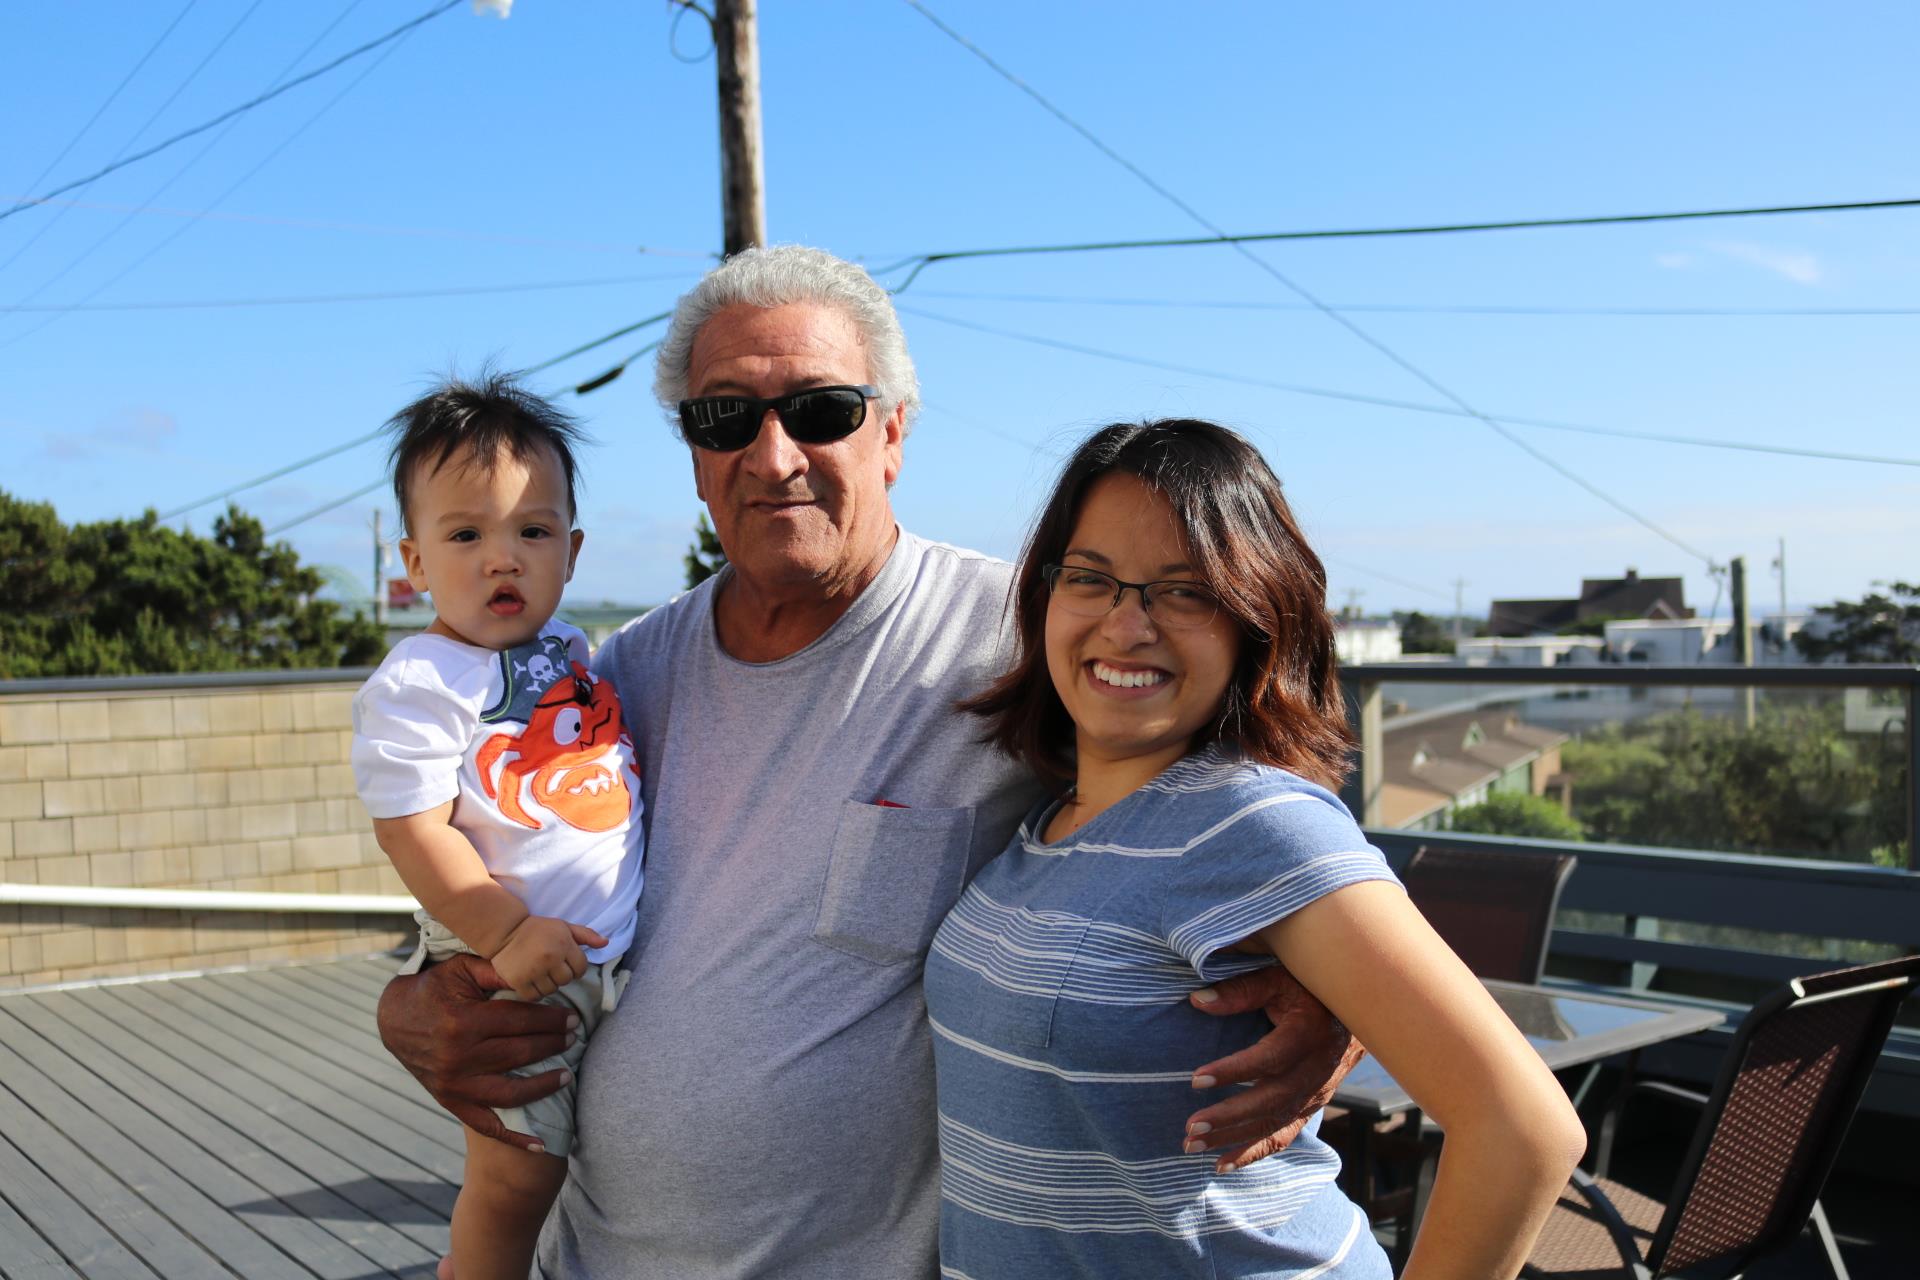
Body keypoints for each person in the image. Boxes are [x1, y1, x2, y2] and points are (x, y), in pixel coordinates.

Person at [375, 246, 1359, 1279]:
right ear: (694, 451)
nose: (772, 453)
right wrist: (416, 995)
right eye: (724, 418)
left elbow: (1256, 764)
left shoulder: (1030, 637)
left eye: (820, 410)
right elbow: (490, 856)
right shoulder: (619, 676)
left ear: (893, 430)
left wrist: (1327, 982)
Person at [930, 419, 1587, 1278]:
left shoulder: (1255, 819)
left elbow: (1524, 1128)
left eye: (1186, 591)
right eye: (1091, 578)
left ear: (1256, 620)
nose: (1128, 627)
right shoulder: (1046, 821)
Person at [351, 375, 645, 1280]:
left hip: (608, 954)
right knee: (518, 1174)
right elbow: (412, 831)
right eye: (466, 534)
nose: (502, 559)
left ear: (572, 549)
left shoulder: (571, 651)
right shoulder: (421, 680)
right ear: (415, 562)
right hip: (510, 956)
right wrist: (506, 933)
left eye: (532, 531)